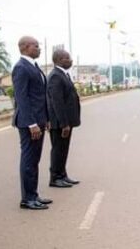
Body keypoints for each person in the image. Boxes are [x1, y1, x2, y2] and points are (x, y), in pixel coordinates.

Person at [12, 36, 52, 210]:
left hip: (39, 120)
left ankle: (34, 195)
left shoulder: (33, 66)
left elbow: (40, 97)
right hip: (29, 123)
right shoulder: (21, 67)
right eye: (36, 46)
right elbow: (22, 98)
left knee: (34, 160)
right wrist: (31, 124)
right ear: (25, 47)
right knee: (29, 160)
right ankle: (27, 199)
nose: (39, 49)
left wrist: (46, 119)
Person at [47, 49, 81, 188]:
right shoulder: (55, 76)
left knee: (63, 149)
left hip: (65, 121)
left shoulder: (63, 74)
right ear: (59, 60)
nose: (70, 60)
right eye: (67, 58)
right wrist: (64, 123)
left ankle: (62, 175)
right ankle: (55, 178)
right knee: (58, 149)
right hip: (60, 122)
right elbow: (57, 102)